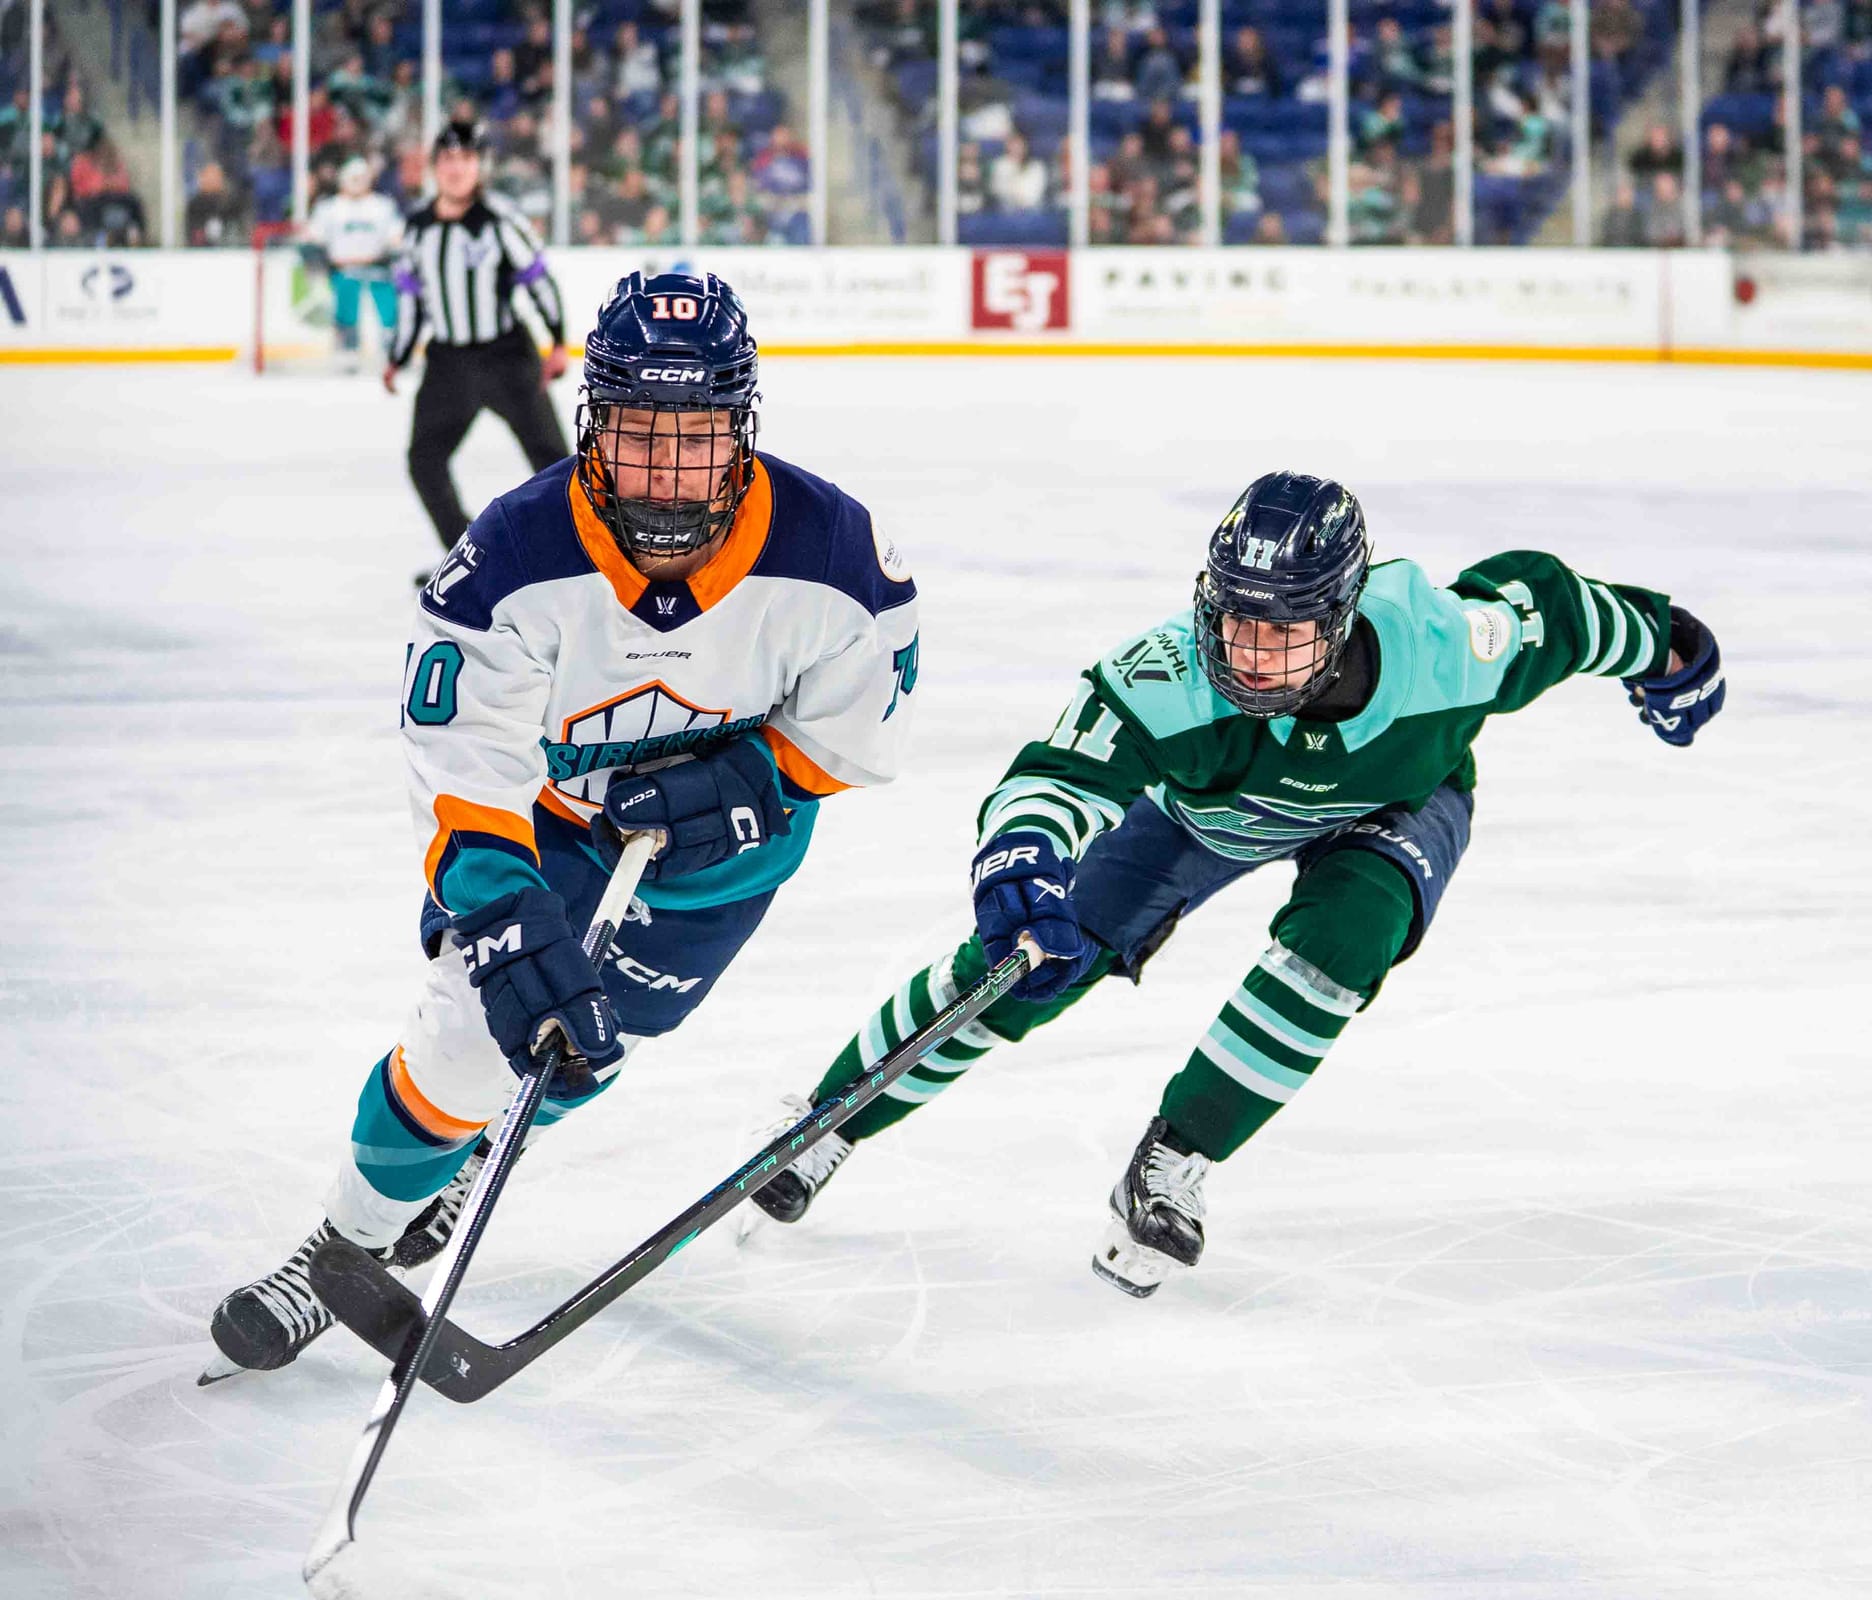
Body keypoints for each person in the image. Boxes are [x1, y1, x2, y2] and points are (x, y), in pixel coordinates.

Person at [749, 473, 1725, 1299]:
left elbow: (1549, 609)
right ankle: (827, 1119)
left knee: (1343, 942)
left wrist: (1668, 642)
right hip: (1201, 813)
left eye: (1285, 634)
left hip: (1393, 802)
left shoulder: (1442, 647)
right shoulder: (1171, 670)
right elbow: (1060, 771)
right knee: (1027, 964)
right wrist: (1020, 868)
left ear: (1339, 621)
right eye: (1235, 623)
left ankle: (1175, 1159)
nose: (1250, 655)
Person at [206, 270, 921, 1376]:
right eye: (640, 435)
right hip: (555, 831)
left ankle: (473, 1153)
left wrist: (753, 780)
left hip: (729, 864)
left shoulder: (830, 550)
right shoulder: (514, 556)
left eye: (699, 436)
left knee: (590, 1048)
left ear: (742, 428)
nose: (669, 470)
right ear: (592, 424)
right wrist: (496, 909)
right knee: (467, 1033)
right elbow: (464, 758)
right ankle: (340, 1249)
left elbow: (853, 729)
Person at [386, 120, 571, 556]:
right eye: (447, 159)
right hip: (448, 362)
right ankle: (469, 556)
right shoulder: (417, 229)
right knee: (424, 460)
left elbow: (538, 281)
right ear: (434, 167)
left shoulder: (500, 220)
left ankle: (573, 555)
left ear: (480, 166)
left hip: (507, 357)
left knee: (556, 465)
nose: (456, 168)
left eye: (466, 158)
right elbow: (413, 298)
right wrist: (396, 357)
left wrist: (558, 341)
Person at [306, 155, 402, 369]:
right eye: (353, 177)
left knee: (388, 310)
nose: (357, 182)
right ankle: (347, 348)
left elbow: (396, 237)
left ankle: (390, 347)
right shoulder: (328, 208)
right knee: (346, 308)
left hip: (378, 270)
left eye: (361, 177)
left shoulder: (383, 206)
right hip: (343, 271)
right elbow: (314, 238)